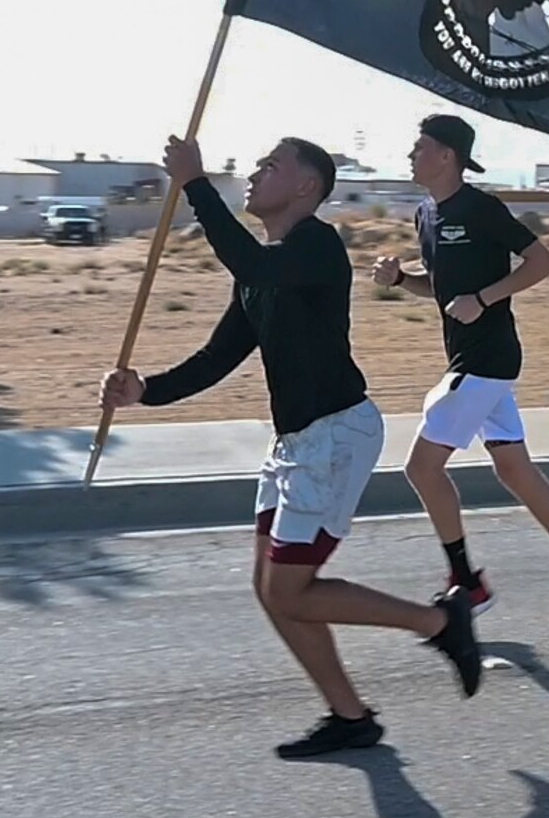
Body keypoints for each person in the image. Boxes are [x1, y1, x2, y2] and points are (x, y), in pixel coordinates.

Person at [101, 134, 484, 760]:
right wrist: (143, 391)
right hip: (296, 444)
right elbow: (217, 358)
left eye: (270, 165)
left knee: (288, 589)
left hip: (336, 434)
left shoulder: (315, 246)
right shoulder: (265, 271)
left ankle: (441, 623)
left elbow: (250, 265)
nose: (254, 172)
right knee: (271, 587)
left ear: (306, 187)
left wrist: (196, 183)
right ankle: (350, 716)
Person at [372, 114, 549, 622]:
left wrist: (485, 298)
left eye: (420, 148)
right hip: (472, 360)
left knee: (421, 467)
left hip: (487, 359)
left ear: (447, 156)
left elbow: (542, 263)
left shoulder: (482, 208)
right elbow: (440, 290)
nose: (410, 156)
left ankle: (465, 581)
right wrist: (400, 279)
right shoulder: (425, 214)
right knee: (513, 469)